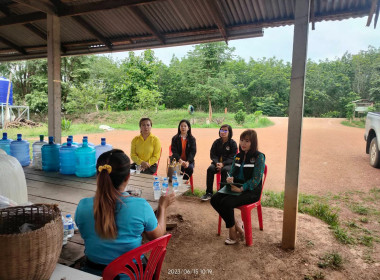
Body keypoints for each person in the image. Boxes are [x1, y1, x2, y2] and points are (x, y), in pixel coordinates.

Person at [75, 149, 175, 276]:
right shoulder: (141, 206)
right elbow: (158, 236)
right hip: (129, 276)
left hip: (91, 275)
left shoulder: (83, 206)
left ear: (98, 175)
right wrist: (162, 207)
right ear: (128, 176)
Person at [210, 129, 265, 245]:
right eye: (241, 140)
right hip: (235, 188)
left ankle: (232, 233)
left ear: (253, 142)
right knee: (214, 199)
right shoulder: (238, 156)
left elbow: (256, 180)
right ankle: (238, 226)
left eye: (247, 141)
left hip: (250, 191)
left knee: (226, 202)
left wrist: (241, 188)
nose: (243, 144)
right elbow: (232, 173)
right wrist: (230, 179)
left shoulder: (259, 157)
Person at [201, 124, 237, 201]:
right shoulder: (216, 142)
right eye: (221, 130)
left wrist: (223, 164)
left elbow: (233, 157)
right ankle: (209, 193)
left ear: (229, 132)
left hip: (228, 164)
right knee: (210, 169)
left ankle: (221, 194)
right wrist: (217, 162)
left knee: (225, 170)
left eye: (225, 130)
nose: (223, 132)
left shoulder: (233, 143)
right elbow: (212, 154)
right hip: (216, 163)